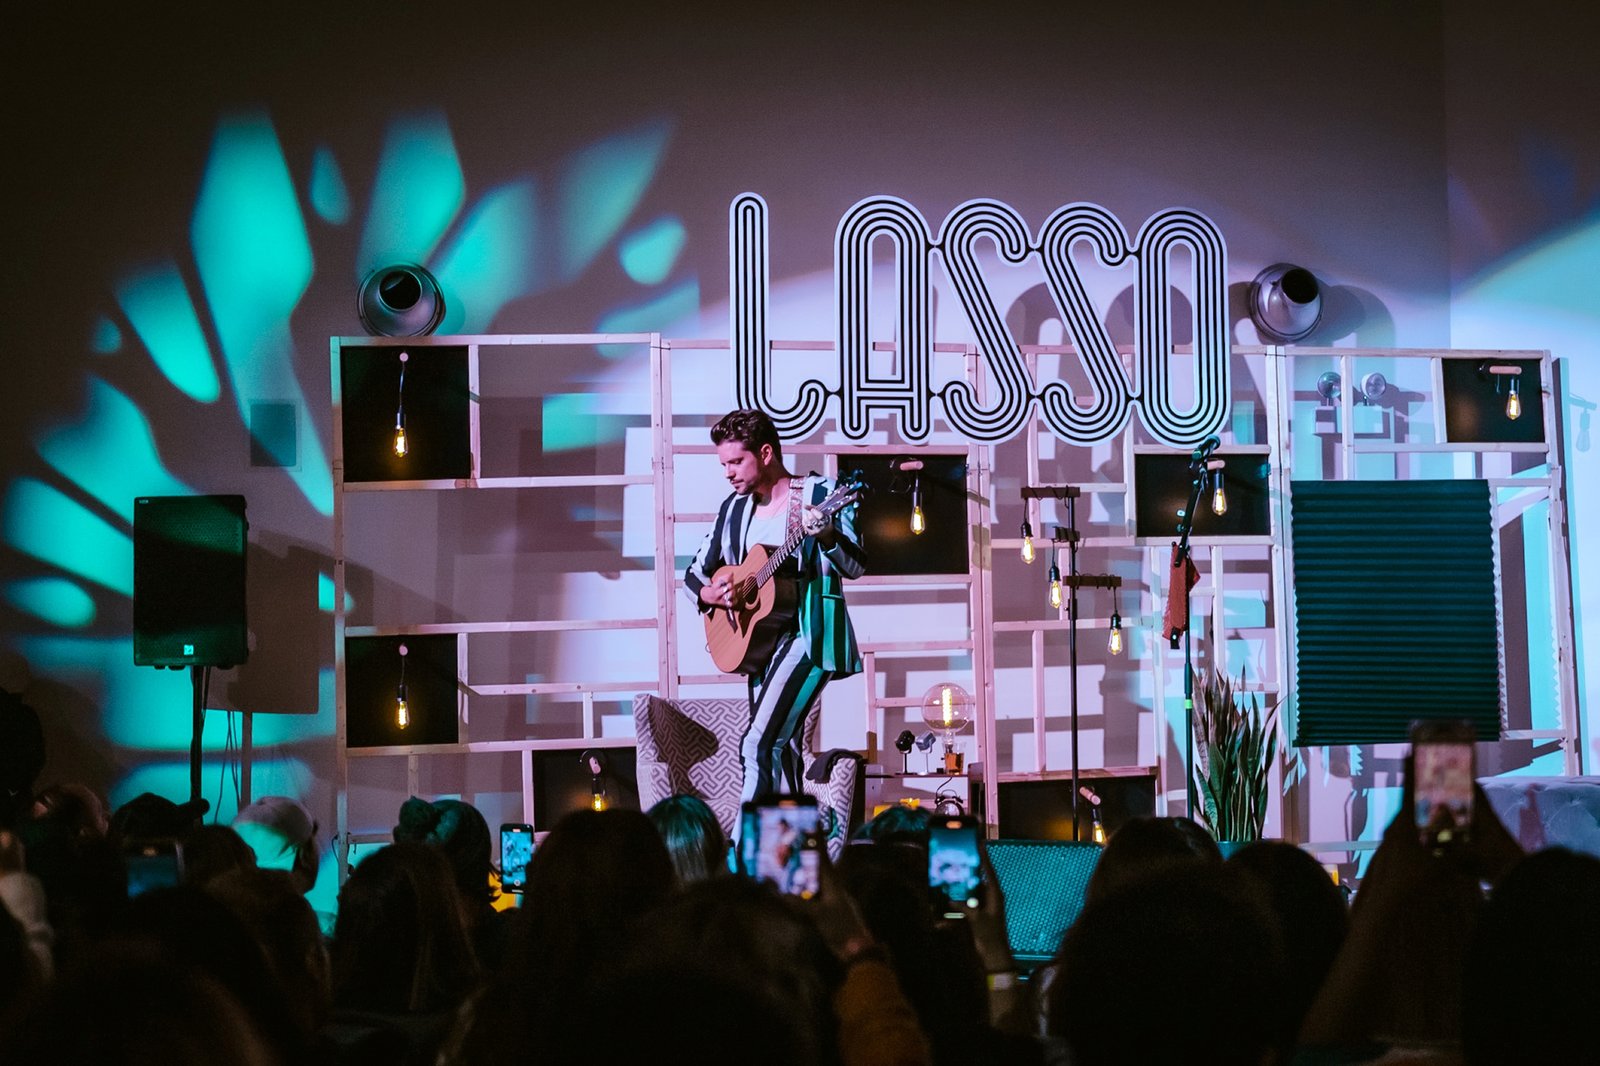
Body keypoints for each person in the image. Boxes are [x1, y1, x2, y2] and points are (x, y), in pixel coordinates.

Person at [684, 408, 865, 813]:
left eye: (736, 462)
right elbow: (694, 574)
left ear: (765, 453)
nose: (728, 473)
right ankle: (792, 845)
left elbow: (855, 566)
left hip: (809, 632)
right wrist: (712, 595)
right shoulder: (733, 509)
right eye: (724, 464)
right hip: (758, 642)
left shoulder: (820, 494)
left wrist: (827, 535)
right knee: (783, 751)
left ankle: (747, 844)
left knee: (758, 745)